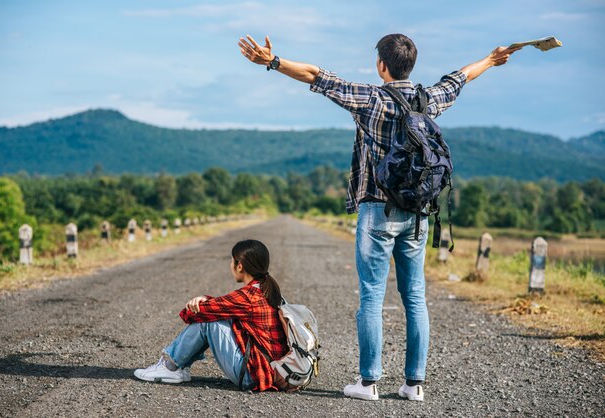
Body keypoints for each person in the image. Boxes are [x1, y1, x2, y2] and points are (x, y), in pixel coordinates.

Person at [238, 33, 520, 401]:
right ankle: (413, 385)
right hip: (418, 214)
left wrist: (273, 63)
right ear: (411, 65)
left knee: (372, 296)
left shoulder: (370, 99)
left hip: (376, 210)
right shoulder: (428, 99)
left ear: (381, 65)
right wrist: (490, 58)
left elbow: (315, 76)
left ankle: (368, 383)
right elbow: (461, 77)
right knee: (415, 297)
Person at [134, 239, 288, 392]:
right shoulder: (266, 290)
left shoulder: (248, 296)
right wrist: (207, 299)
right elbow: (225, 306)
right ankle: (179, 367)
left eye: (231, 261)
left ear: (239, 266)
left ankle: (171, 367)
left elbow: (193, 313)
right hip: (269, 372)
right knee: (216, 315)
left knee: (208, 321)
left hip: (252, 376)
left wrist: (200, 303)